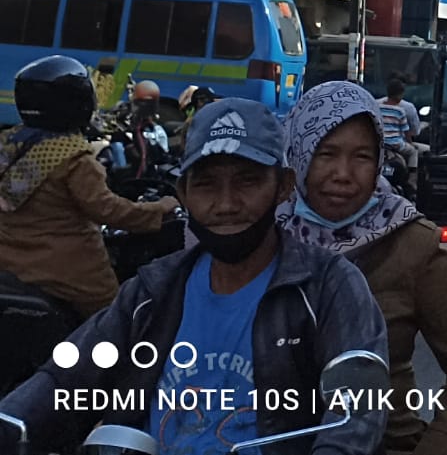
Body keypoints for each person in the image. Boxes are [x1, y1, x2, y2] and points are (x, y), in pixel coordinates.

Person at [0, 98, 389, 455]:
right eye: (206, 184)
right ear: (183, 194)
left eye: (247, 181)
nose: (226, 204)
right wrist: (11, 420)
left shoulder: (327, 286)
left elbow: (357, 412)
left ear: (283, 187)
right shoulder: (152, 291)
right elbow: (65, 377)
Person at [282, 81, 447, 455]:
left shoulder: (410, 242)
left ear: (380, 161)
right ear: (300, 152)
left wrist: (443, 445)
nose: (343, 173)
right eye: (326, 153)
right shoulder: (266, 236)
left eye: (362, 157)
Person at [0, 56, 177, 320]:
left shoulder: (10, 142)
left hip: (11, 260)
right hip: (64, 268)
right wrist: (159, 210)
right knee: (114, 315)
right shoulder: (74, 158)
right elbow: (107, 210)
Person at [377, 78, 427, 171]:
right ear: (400, 94)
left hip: (379, 142)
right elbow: (406, 132)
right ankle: (412, 176)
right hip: (395, 144)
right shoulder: (400, 111)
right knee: (413, 152)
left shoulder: (377, 106)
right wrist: (411, 144)